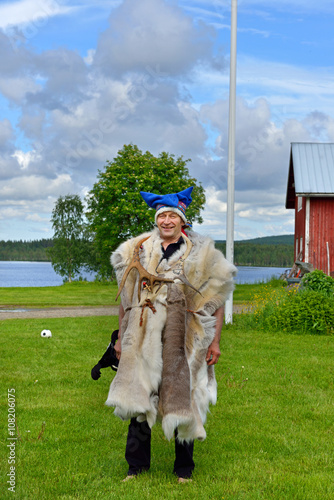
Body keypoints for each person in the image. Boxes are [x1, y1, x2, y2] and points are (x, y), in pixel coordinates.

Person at [105, 186, 236, 482]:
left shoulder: (201, 255)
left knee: (184, 395)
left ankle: (184, 469)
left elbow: (216, 300)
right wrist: (120, 340)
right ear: (157, 220)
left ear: (182, 221)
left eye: (172, 216)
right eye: (162, 216)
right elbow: (127, 301)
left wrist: (214, 342)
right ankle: (135, 467)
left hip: (186, 337)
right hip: (143, 335)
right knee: (140, 395)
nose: (166, 221)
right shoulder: (138, 251)